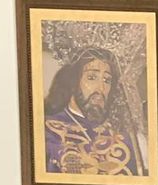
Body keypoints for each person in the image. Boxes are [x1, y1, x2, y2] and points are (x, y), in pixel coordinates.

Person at [42, 45, 144, 176]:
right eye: (91, 78)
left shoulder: (125, 135)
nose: (100, 89)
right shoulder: (47, 130)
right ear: (73, 82)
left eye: (107, 80)